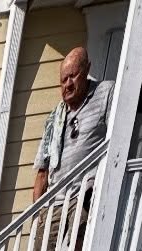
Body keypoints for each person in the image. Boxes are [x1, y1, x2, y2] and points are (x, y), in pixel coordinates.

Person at [33, 49, 112, 200]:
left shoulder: (106, 92)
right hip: (55, 205)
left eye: (73, 76)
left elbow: (118, 144)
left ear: (87, 69)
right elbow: (42, 174)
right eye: (63, 80)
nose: (68, 84)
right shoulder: (54, 119)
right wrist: (37, 218)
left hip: (87, 197)